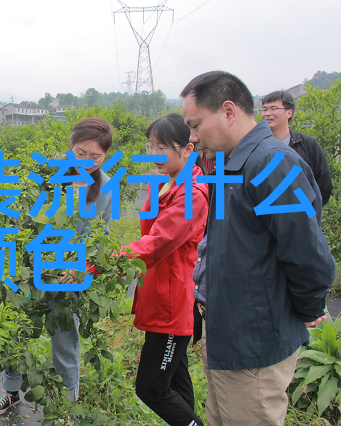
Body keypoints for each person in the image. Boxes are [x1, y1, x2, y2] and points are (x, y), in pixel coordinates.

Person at [181, 71, 336, 426]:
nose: (192, 137)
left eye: (196, 124)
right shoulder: (233, 163)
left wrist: (308, 308)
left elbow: (307, 255)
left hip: (254, 346)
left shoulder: (271, 165)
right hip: (230, 338)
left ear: (229, 111)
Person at [0, 117, 114, 416]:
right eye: (80, 153)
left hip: (68, 278)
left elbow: (99, 239)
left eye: (95, 157)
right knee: (15, 332)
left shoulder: (106, 189)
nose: (86, 161)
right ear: (70, 147)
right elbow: (22, 221)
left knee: (65, 341)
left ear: (105, 156)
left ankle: (64, 407)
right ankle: (10, 392)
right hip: (30, 273)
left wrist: (77, 268)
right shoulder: (47, 176)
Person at [117, 113, 208, 426]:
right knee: (176, 383)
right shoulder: (170, 182)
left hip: (173, 303)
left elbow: (155, 243)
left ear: (187, 149)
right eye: (150, 146)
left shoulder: (192, 194)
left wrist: (99, 263)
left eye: (162, 148)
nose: (153, 155)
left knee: (152, 388)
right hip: (162, 292)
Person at [261, 90, 332, 206]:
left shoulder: (308, 145)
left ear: (289, 113)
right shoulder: (257, 145)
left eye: (273, 109)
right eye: (264, 109)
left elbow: (323, 183)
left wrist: (310, 212)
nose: (267, 113)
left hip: (301, 215)